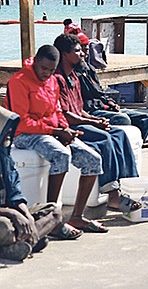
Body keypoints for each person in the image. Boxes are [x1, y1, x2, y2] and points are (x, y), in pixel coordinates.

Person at [6, 44, 104, 238]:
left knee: (93, 159)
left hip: (52, 131)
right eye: (44, 69)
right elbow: (22, 122)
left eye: (51, 70)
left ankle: (77, 216)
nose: (47, 74)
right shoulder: (19, 82)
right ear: (35, 62)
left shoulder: (52, 81)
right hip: (25, 134)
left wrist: (64, 129)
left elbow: (57, 110)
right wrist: (55, 130)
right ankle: (53, 220)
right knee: (60, 155)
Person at [53, 34, 141, 218]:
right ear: (65, 54)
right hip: (67, 127)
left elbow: (79, 109)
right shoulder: (57, 79)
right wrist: (93, 122)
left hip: (81, 120)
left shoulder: (73, 78)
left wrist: (95, 120)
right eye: (77, 51)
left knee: (120, 134)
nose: (82, 55)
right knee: (104, 137)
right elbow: (66, 115)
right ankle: (113, 195)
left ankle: (129, 185)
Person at [0, 106, 62, 261]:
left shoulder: (4, 157)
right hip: (4, 217)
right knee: (5, 227)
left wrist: (27, 217)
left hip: (9, 213)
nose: (9, 135)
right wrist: (13, 214)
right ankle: (25, 241)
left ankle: (21, 241)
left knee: (54, 211)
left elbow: (15, 193)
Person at [74, 33, 148, 142]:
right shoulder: (73, 75)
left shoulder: (89, 69)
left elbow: (100, 92)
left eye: (87, 47)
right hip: (92, 111)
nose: (86, 51)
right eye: (82, 48)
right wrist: (104, 106)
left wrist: (110, 102)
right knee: (123, 119)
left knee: (145, 119)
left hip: (103, 106)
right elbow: (83, 104)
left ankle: (133, 148)